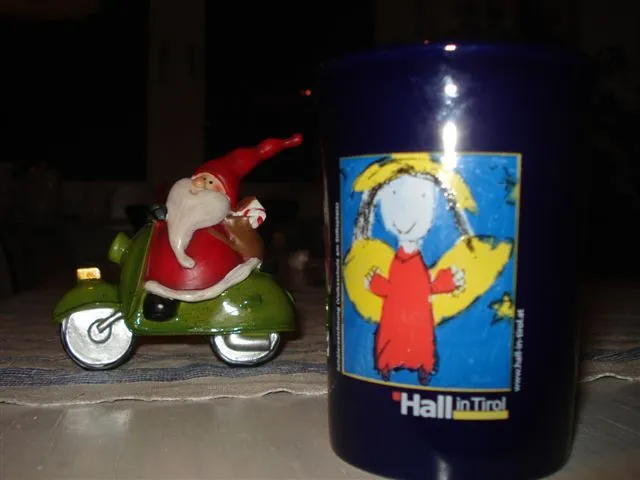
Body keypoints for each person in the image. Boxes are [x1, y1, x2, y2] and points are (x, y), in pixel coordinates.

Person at [142, 134, 302, 320]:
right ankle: (162, 300)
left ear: (224, 196)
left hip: (219, 274)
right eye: (201, 178)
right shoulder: (177, 209)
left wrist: (255, 262)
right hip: (165, 275)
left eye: (210, 182)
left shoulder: (227, 219)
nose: (200, 185)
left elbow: (247, 243)